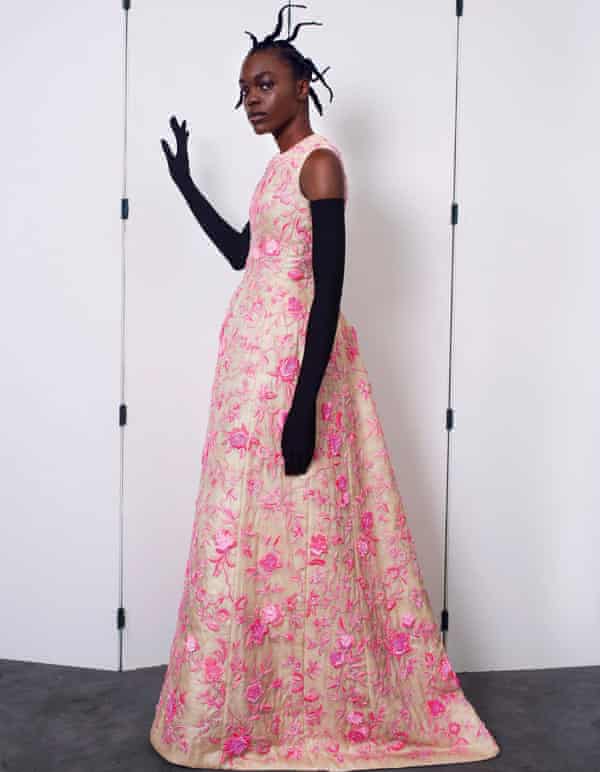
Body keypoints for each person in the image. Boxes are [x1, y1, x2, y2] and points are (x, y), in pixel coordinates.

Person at [149, 4, 501, 769]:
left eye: (266, 82)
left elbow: (329, 292)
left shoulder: (320, 164)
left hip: (290, 371)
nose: (252, 98)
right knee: (249, 528)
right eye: (244, 87)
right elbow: (245, 254)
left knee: (303, 526)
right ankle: (254, 699)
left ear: (303, 87)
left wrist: (304, 403)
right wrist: (183, 184)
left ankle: (311, 698)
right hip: (251, 365)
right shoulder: (277, 169)